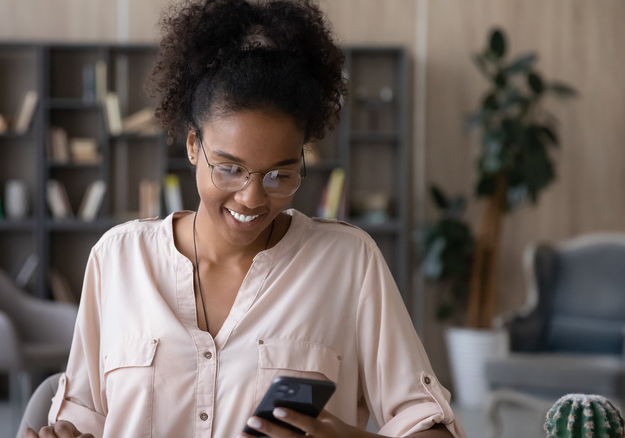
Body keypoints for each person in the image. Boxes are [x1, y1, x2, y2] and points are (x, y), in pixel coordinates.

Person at [24, 0, 466, 437]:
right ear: (194, 145)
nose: (253, 197)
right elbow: (82, 418)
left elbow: (430, 428)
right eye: (230, 168)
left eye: (281, 173)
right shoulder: (118, 259)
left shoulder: (349, 263)